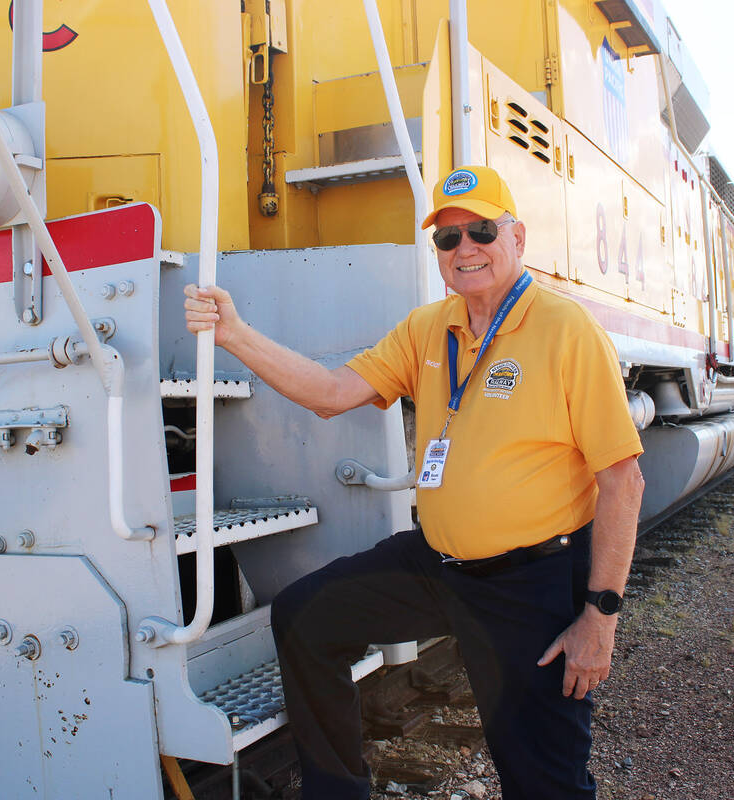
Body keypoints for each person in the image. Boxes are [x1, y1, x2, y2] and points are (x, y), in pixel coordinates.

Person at [185, 165, 645, 800]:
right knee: (306, 618)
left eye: (480, 230)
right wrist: (234, 334)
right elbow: (330, 392)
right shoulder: (430, 327)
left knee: (544, 783)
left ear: (516, 237)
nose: (465, 249)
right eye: (447, 239)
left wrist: (601, 619)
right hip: (438, 563)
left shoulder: (566, 331)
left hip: (531, 580)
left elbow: (623, 480)